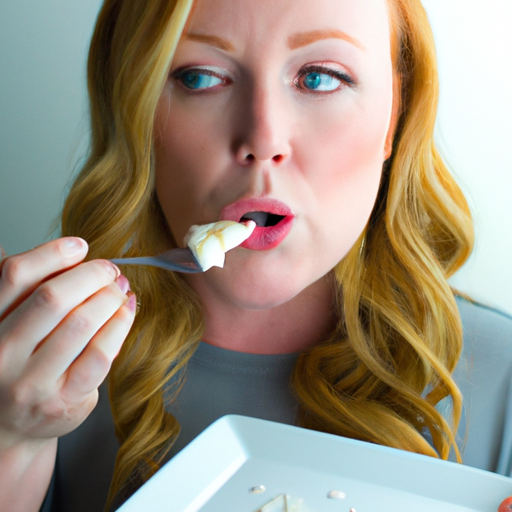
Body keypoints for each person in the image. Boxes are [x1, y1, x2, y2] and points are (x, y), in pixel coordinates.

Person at [1, 0, 511, 510]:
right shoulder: (31, 369)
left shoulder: (502, 384)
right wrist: (10, 441)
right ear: (132, 110)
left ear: (395, 115)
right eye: (200, 77)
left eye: (319, 78)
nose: (262, 140)